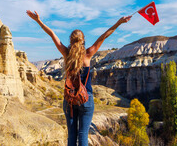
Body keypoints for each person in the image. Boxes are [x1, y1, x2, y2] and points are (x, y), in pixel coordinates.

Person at [26, 10, 132, 146]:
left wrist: (38, 21)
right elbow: (103, 36)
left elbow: (52, 34)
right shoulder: (88, 54)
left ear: (70, 40)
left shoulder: (66, 53)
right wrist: (119, 22)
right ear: (83, 41)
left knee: (72, 136)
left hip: (70, 100)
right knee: (82, 135)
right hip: (86, 99)